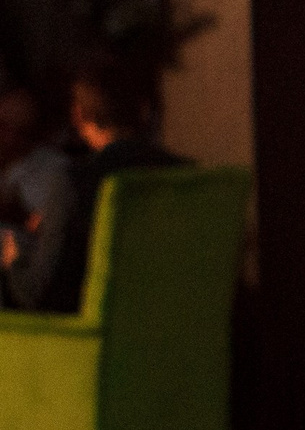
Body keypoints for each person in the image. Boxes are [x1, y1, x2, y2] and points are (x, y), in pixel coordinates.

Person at [22, 58, 187, 315]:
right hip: (182, 336)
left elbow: (41, 294)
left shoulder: (76, 182)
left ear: (78, 115)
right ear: (144, 108)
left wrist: (15, 258)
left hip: (94, 344)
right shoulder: (191, 177)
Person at [0, 80, 74, 311]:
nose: (8, 138)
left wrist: (22, 216)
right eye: (3, 127)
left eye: (19, 131)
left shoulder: (53, 170)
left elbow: (51, 230)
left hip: (24, 279)